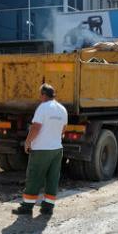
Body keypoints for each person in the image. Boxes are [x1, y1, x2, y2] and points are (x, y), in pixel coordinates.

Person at [13, 83, 68, 215]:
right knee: (52, 178)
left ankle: (27, 207)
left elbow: (36, 127)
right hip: (57, 149)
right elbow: (63, 129)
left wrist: (27, 142)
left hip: (41, 149)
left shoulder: (43, 108)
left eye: (40, 94)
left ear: (43, 95)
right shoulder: (62, 109)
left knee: (34, 177)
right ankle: (48, 207)